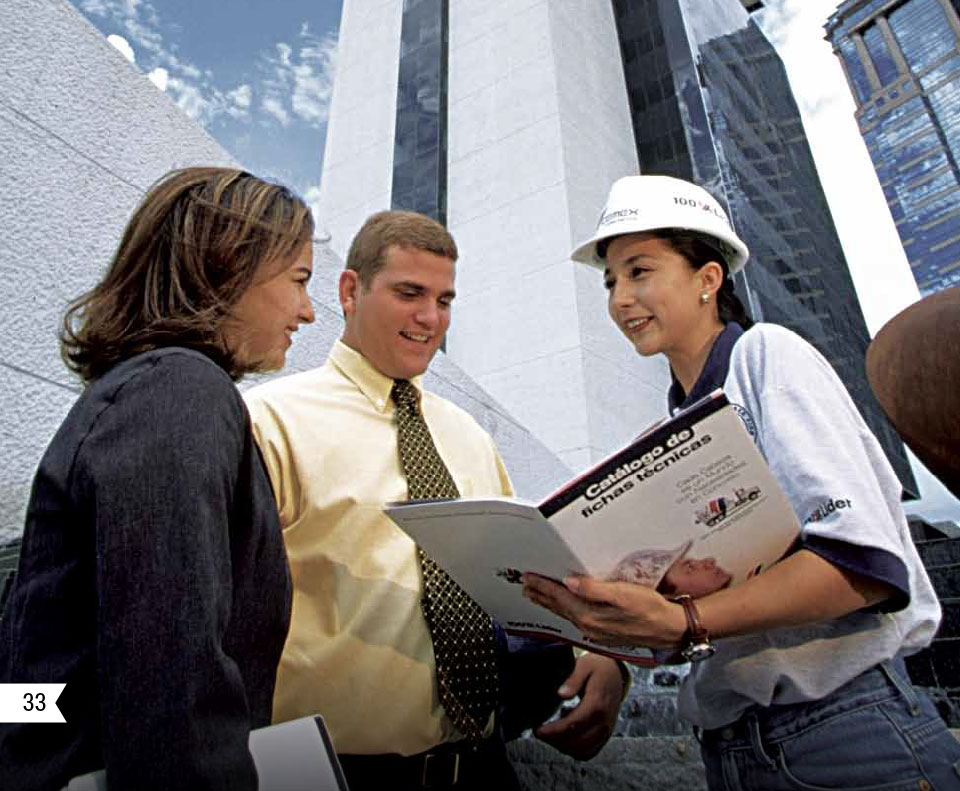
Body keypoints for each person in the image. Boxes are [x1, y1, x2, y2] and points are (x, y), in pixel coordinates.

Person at [523, 174, 960, 790]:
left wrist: (685, 623)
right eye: (611, 280)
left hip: (845, 736)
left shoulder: (767, 357)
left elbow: (864, 563)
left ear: (708, 279)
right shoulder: (675, 428)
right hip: (733, 751)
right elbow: (686, 592)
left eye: (640, 271)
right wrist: (613, 660)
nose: (621, 298)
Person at [245, 209, 627, 791]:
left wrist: (597, 656)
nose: (430, 318)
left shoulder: (468, 437)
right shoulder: (269, 423)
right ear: (351, 290)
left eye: (445, 300)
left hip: (483, 766)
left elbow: (520, 584)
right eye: (409, 293)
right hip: (335, 775)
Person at [0, 166, 316, 791]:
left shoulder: (141, 390)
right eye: (299, 280)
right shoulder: (180, 389)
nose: (307, 311)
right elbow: (170, 681)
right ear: (226, 265)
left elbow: (37, 683)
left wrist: (40, 724)